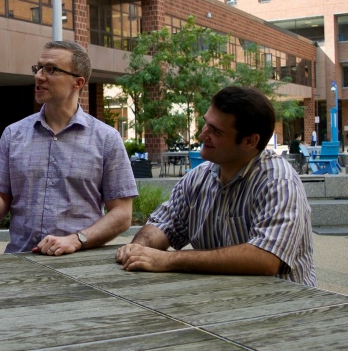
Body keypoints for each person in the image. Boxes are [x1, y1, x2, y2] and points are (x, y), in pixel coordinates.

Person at [0, 40, 137, 255]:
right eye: (38, 68)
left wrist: (77, 240)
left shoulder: (106, 139)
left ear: (77, 83)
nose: (39, 76)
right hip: (21, 263)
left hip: (81, 263)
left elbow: (122, 215)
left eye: (51, 69)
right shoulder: (13, 134)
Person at [115, 86, 316, 286]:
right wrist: (139, 249)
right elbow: (163, 225)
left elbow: (265, 258)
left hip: (282, 307)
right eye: (206, 124)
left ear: (249, 141)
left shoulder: (278, 182)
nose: (202, 136)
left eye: (216, 131)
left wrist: (166, 260)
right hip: (219, 302)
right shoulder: (198, 178)